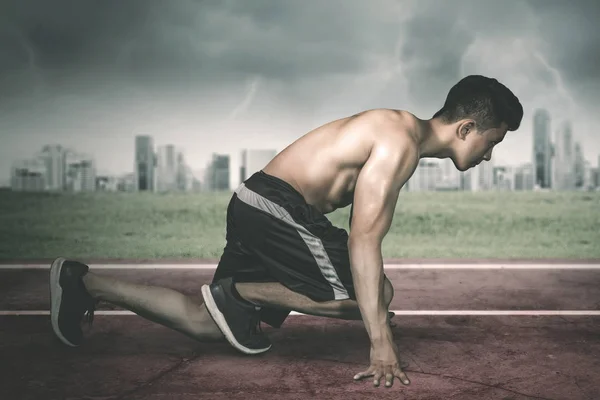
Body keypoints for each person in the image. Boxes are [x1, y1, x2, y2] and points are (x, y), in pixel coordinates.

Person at [49, 75, 522, 388]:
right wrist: (380, 342)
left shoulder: (401, 134)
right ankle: (242, 293)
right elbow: (363, 239)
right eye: (491, 142)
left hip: (263, 207)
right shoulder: (398, 143)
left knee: (207, 323)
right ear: (465, 128)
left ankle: (83, 282)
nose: (489, 155)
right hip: (275, 205)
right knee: (374, 293)